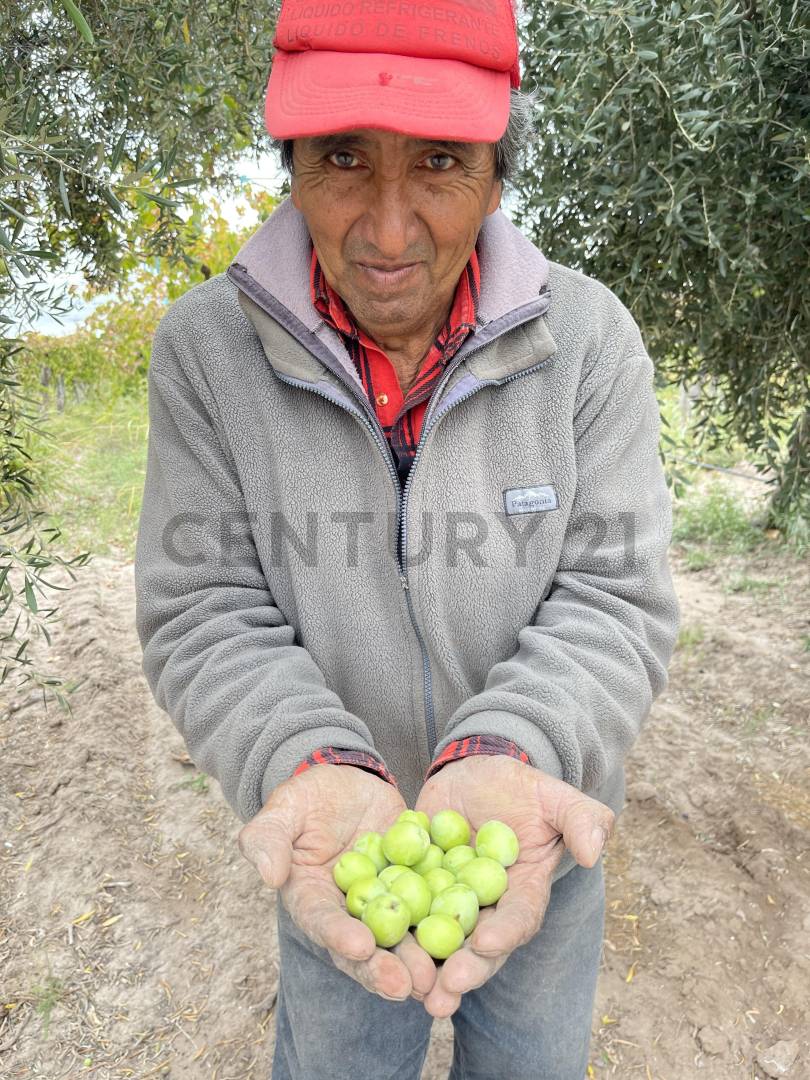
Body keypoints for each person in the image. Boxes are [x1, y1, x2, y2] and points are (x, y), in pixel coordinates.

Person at [134, 0, 680, 1076]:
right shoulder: (204, 354)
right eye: (342, 157)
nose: (388, 232)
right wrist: (311, 762)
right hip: (334, 847)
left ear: (498, 169)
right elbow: (202, 606)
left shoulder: (590, 344)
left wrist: (509, 751)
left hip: (534, 840)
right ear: (288, 162)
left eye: (439, 161)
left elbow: (615, 595)